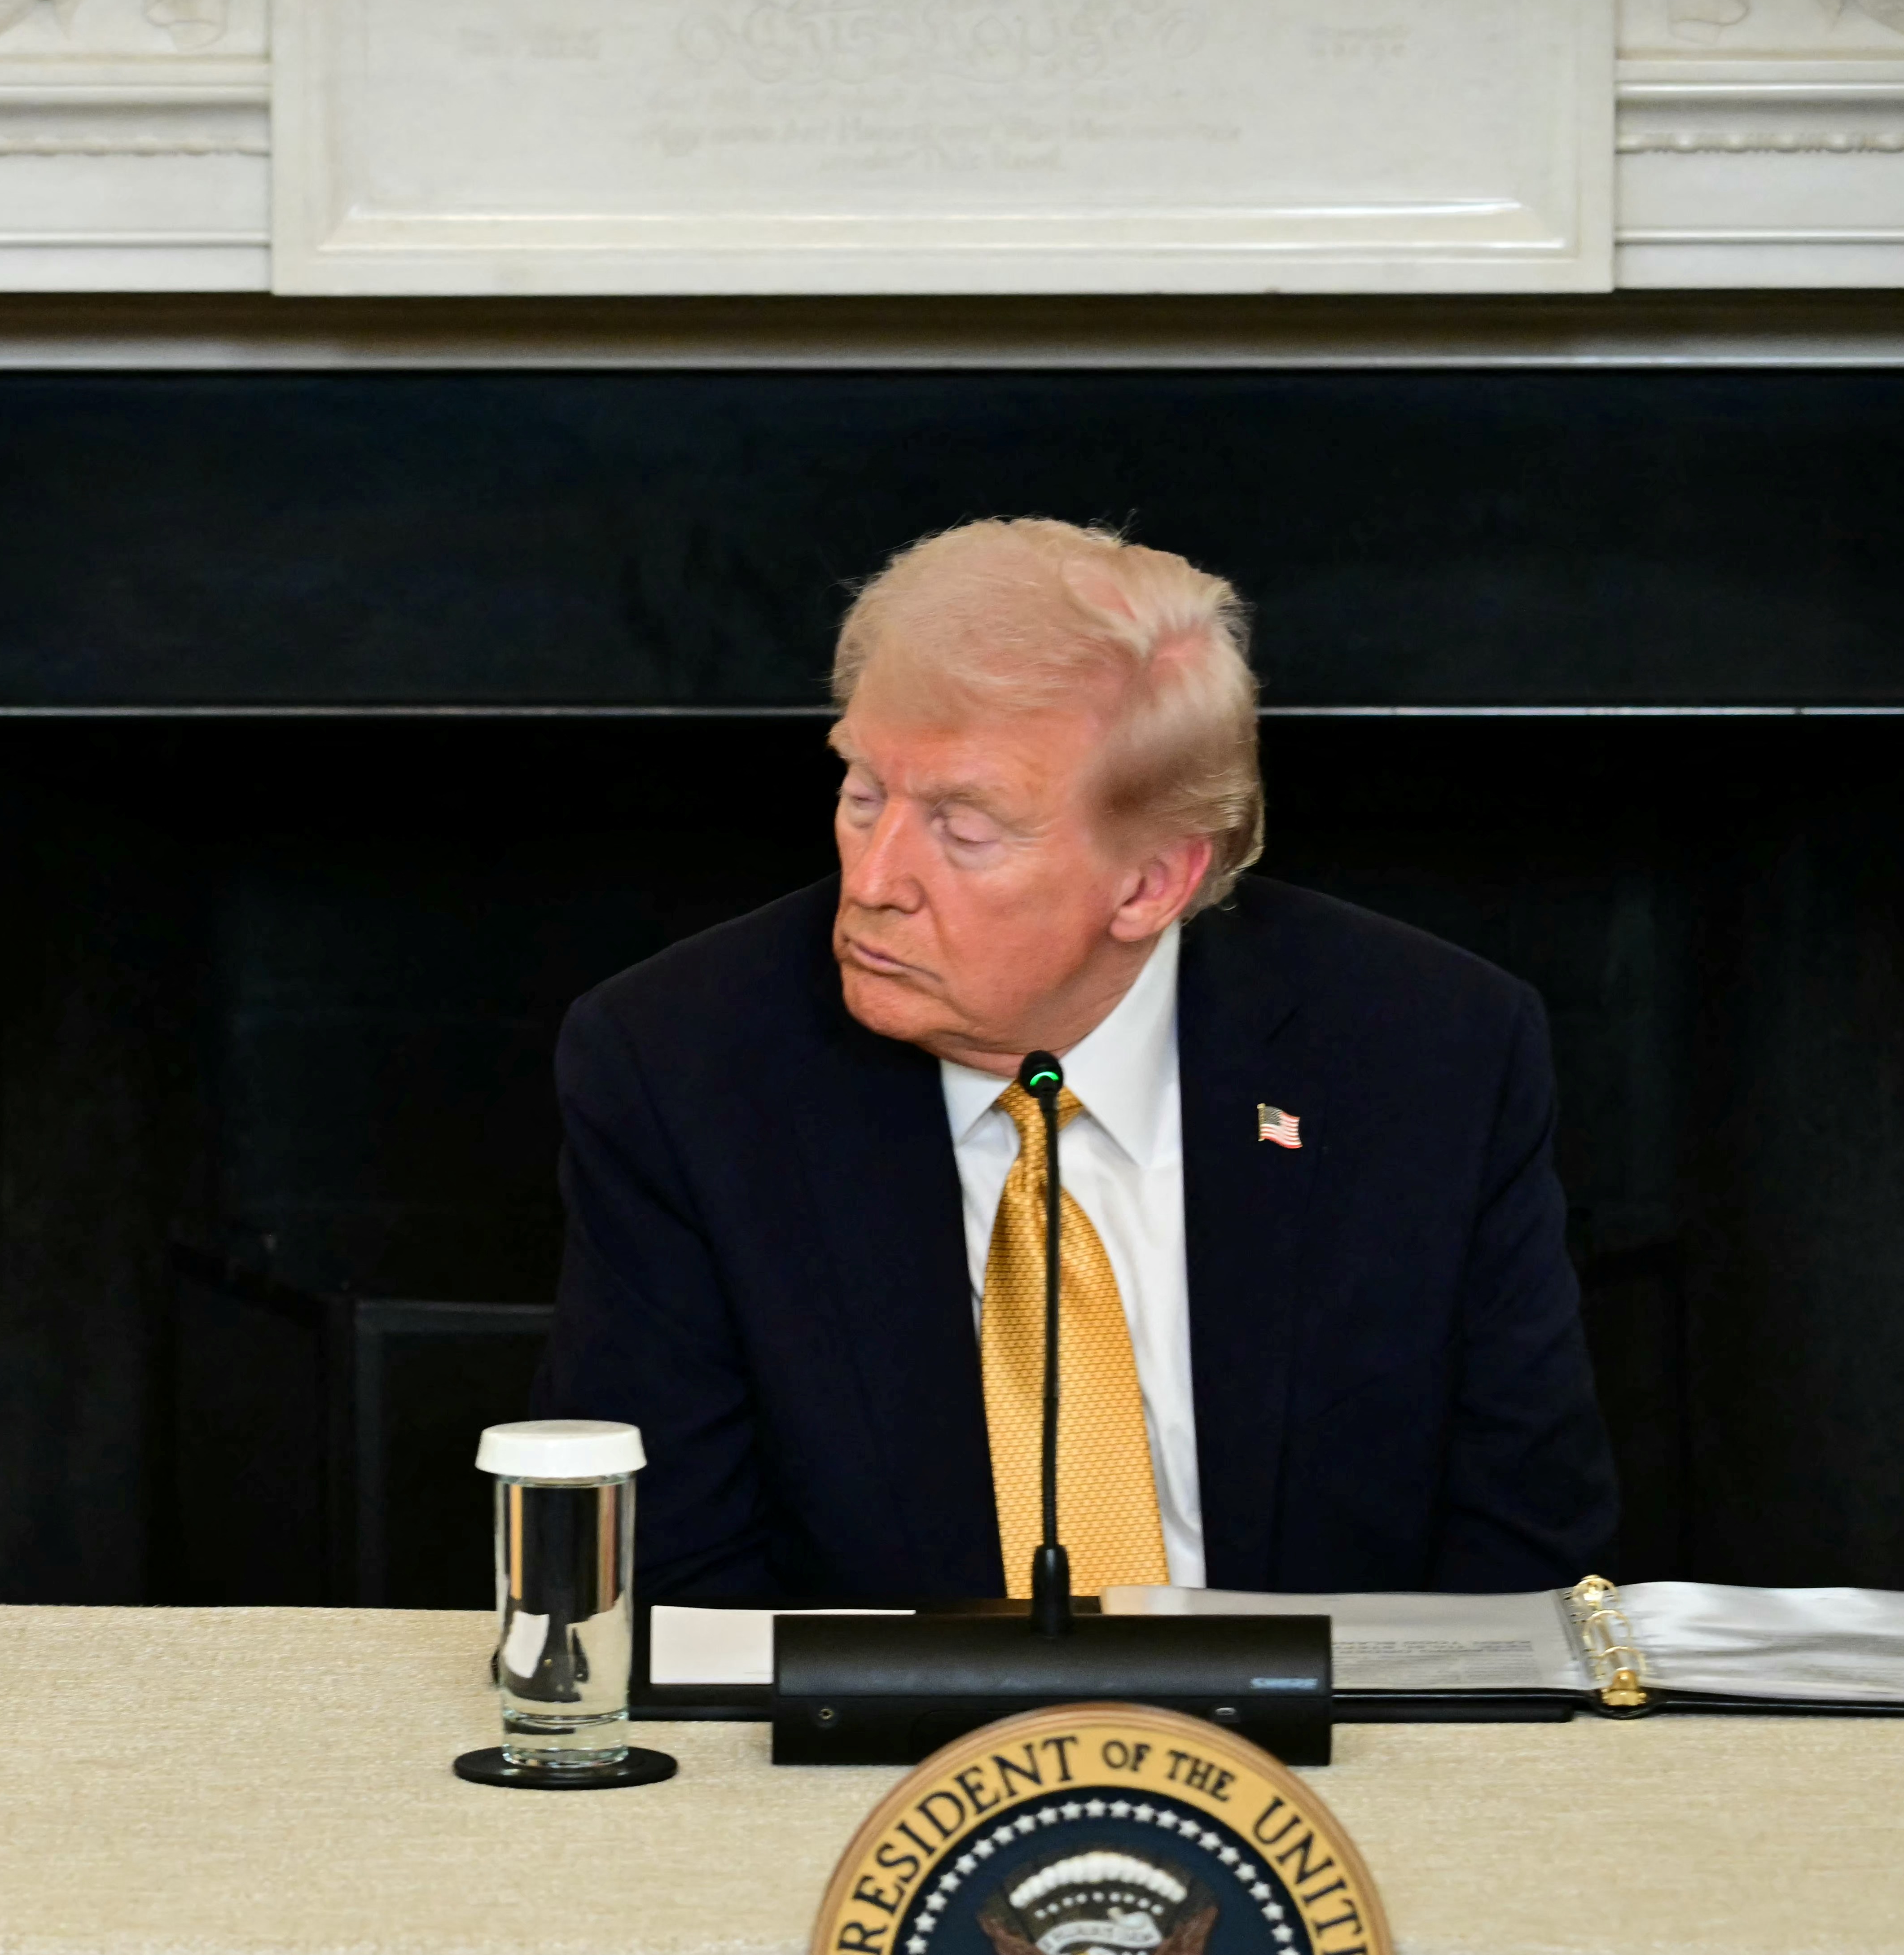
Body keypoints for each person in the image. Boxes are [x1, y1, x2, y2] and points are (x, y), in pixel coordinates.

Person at [539, 518, 1615, 1607]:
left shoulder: (1429, 1051)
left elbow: (1524, 1547)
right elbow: (669, 1574)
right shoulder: (684, 1063)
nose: (874, 881)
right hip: (876, 1720)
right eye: (863, 794)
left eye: (964, 829)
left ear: (1149, 885)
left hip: (1329, 1716)